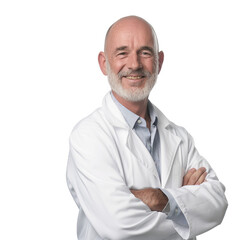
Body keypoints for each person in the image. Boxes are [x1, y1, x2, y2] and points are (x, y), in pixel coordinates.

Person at [66, 15, 228, 240]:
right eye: (122, 53)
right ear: (104, 63)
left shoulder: (179, 136)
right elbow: (120, 226)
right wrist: (185, 208)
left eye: (145, 52)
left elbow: (218, 202)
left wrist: (157, 198)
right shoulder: (88, 136)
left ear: (159, 61)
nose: (134, 64)